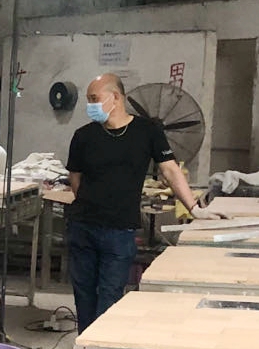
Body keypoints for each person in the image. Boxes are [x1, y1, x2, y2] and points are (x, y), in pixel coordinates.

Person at [65, 73, 208, 334]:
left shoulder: (147, 131)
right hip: (82, 227)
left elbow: (170, 170)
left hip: (119, 230)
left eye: (94, 99)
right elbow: (76, 178)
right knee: (83, 292)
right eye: (88, 100)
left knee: (110, 293)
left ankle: (101, 347)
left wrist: (194, 209)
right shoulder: (83, 136)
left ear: (115, 97)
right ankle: (84, 344)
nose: (90, 105)